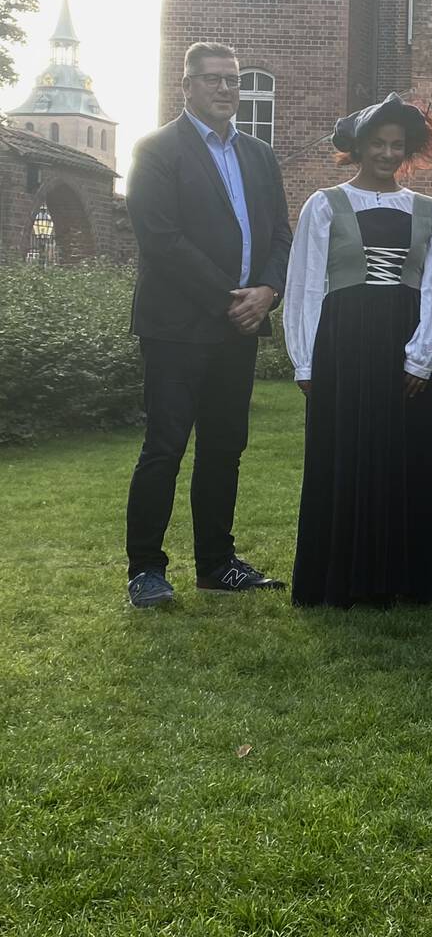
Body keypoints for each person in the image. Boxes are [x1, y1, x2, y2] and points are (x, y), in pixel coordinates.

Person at [124, 42, 292, 608]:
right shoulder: (156, 149)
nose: (226, 89)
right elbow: (161, 238)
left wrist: (268, 291)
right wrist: (232, 299)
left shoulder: (260, 156)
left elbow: (281, 237)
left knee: (225, 447)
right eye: (214, 79)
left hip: (239, 328)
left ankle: (217, 565)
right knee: (165, 446)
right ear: (187, 85)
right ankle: (146, 570)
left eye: (234, 80)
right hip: (176, 326)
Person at [285, 94, 432, 607]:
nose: (386, 153)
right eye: (377, 144)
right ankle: (345, 578)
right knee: (345, 455)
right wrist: (306, 359)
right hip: (344, 344)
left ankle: (406, 577)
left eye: (395, 145)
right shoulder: (324, 204)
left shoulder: (427, 211)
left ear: (407, 151)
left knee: (405, 456)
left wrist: (423, 356)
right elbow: (307, 284)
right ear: (359, 148)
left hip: (404, 345)